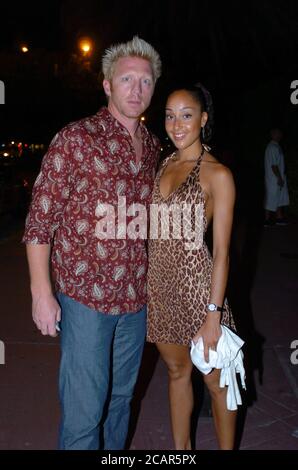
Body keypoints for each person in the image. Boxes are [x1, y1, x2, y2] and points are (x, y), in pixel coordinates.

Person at [22, 36, 161, 450]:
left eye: (146, 81)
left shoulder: (153, 147)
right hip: (86, 301)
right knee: (85, 413)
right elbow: (39, 221)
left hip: (135, 300)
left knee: (120, 402)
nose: (137, 90)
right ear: (107, 85)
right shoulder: (76, 139)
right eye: (127, 80)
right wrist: (41, 293)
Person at [147, 84, 238, 450]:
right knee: (176, 372)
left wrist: (213, 314)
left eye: (186, 115)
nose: (176, 124)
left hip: (200, 292)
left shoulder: (218, 174)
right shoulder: (163, 163)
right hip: (162, 289)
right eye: (170, 115)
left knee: (217, 383)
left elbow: (222, 251)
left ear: (202, 119)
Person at [264, 128, 289, 226]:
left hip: (276, 178)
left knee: (278, 198)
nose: (280, 135)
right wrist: (279, 178)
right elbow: (274, 166)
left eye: (280, 133)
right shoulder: (272, 147)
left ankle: (279, 218)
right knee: (270, 198)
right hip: (273, 179)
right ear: (273, 134)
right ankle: (266, 220)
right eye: (278, 133)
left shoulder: (276, 146)